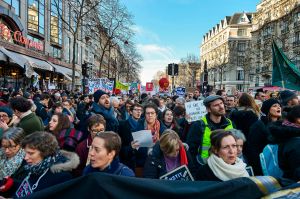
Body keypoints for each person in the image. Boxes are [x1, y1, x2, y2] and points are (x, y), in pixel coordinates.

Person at [12, 132, 79, 198]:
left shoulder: (62, 178)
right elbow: (27, 186)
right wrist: (11, 183)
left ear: (45, 153)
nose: (25, 158)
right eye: (25, 153)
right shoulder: (34, 166)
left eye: (31, 153)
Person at [186, 95, 234, 165]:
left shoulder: (230, 123)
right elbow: (191, 151)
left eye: (221, 103)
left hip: (227, 166)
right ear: (208, 109)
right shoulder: (198, 125)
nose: (221, 107)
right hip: (206, 167)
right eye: (216, 105)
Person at [247, 99, 282, 175]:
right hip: (264, 163)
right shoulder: (259, 125)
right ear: (267, 109)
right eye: (274, 106)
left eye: (279, 106)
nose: (278, 108)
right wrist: (259, 167)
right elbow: (253, 148)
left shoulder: (282, 125)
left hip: (278, 162)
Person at [268, 105, 300, 183]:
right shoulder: (296, 142)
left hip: (286, 181)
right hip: (293, 186)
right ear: (298, 120)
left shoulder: (284, 133)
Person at [117, 103, 143, 170]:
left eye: (140, 110)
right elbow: (119, 146)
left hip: (141, 161)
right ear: (131, 112)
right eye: (136, 110)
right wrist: (130, 147)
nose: (139, 112)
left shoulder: (144, 125)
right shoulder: (122, 125)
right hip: (127, 161)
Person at [0, 128, 25, 195]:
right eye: (4, 146)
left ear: (20, 144)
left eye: (11, 147)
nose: (6, 151)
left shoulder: (25, 161)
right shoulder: (1, 152)